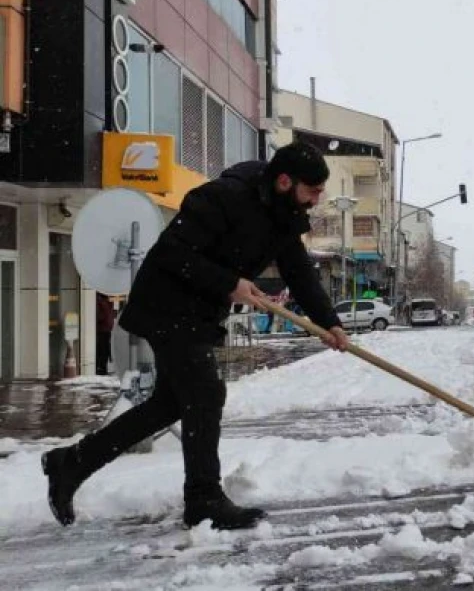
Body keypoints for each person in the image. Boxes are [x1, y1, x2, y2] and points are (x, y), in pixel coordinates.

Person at [41, 142, 349, 531]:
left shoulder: (285, 214)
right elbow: (172, 252)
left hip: (199, 313)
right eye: (314, 191)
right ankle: (203, 499)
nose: (317, 200)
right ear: (285, 181)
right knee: (205, 393)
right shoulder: (224, 197)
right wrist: (228, 283)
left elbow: (299, 271)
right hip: (166, 305)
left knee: (170, 404)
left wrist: (329, 322)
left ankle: (71, 463)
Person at [95, 293, 114, 375]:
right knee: (105, 349)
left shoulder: (100, 302)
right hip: (107, 329)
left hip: (101, 329)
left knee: (101, 350)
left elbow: (101, 316)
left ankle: (101, 368)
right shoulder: (108, 302)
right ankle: (104, 368)